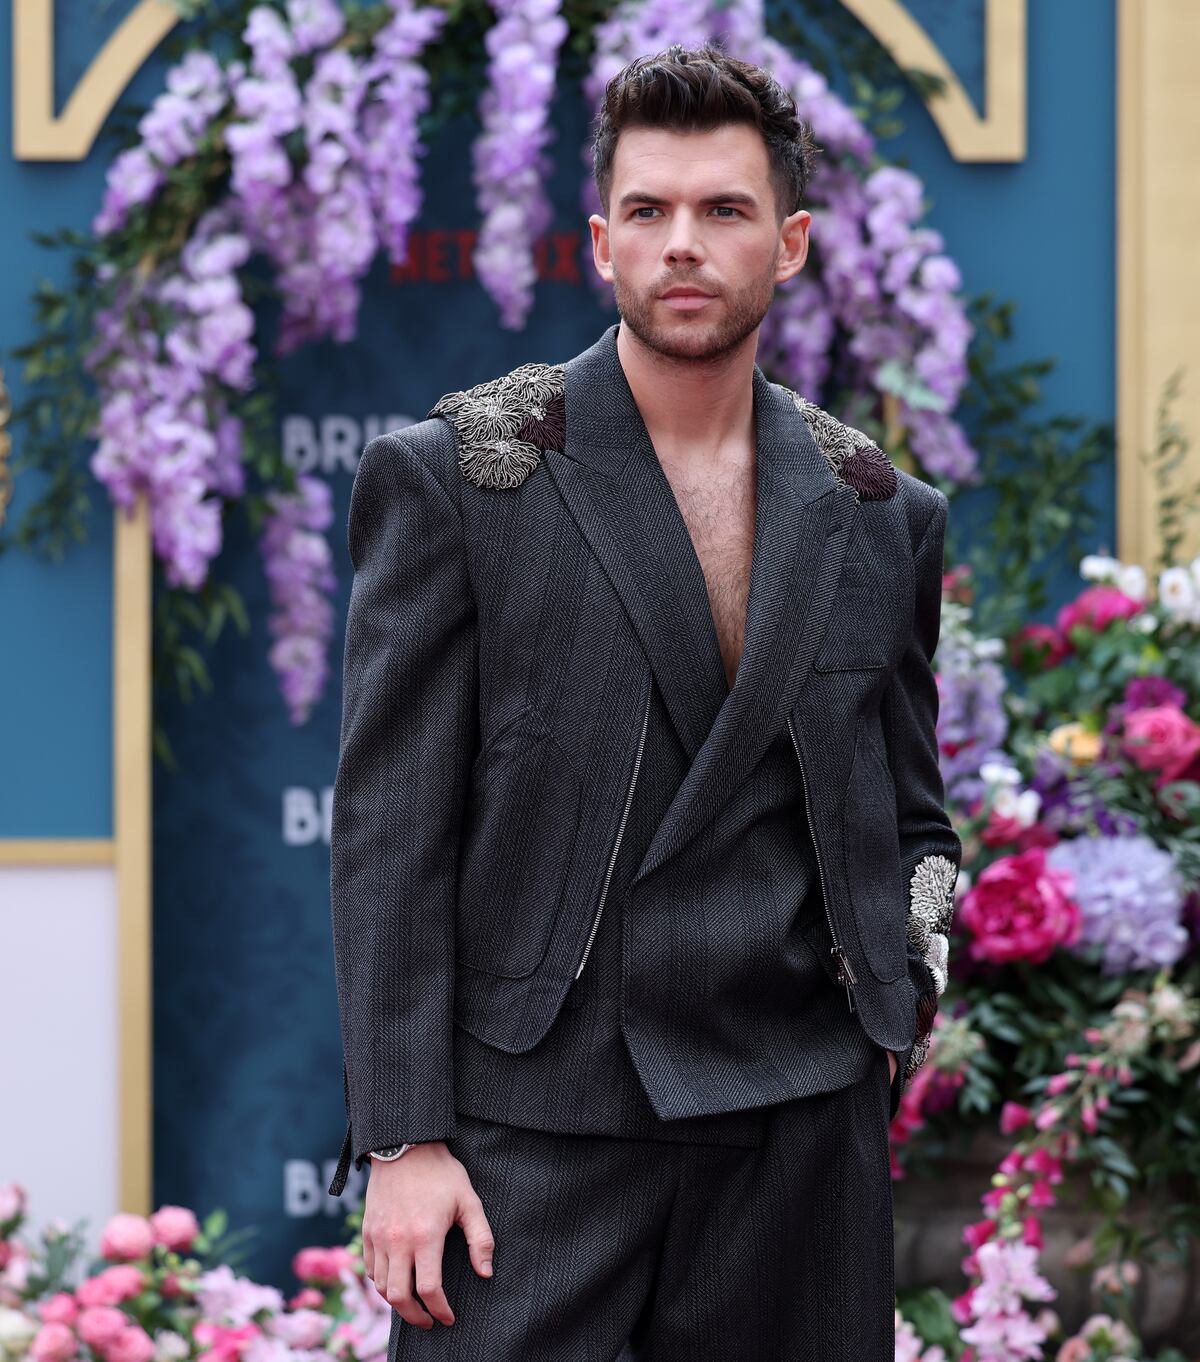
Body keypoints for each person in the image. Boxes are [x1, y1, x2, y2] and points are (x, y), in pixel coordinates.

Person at [327, 40, 961, 1362]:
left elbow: (912, 813)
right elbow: (391, 832)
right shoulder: (461, 477)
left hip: (797, 1122)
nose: (684, 243)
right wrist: (401, 1136)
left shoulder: (879, 514)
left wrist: (897, 1003)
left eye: (724, 210)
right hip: (528, 1128)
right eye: (650, 209)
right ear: (598, 243)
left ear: (790, 245)